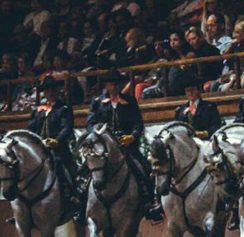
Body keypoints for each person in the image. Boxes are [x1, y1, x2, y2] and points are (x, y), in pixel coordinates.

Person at [86, 69, 163, 221]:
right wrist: (98, 133)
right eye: (110, 85)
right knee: (84, 171)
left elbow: (138, 124)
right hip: (103, 148)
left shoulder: (130, 101)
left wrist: (132, 136)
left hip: (126, 148)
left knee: (144, 169)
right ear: (106, 86)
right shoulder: (97, 103)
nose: (113, 88)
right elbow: (90, 123)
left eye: (115, 84)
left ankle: (150, 203)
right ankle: (80, 204)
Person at [26, 76, 83, 222]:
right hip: (39, 152)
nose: (50, 92)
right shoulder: (37, 110)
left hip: (57, 151)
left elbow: (66, 128)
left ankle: (73, 199)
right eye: (47, 90)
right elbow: (31, 128)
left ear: (57, 90)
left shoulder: (63, 109)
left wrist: (56, 141)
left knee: (61, 168)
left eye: (52, 89)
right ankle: (23, 207)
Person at [173, 75, 222, 139]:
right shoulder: (180, 110)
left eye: (192, 90)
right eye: (188, 91)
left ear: (198, 91)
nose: (190, 93)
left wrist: (202, 134)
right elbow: (176, 129)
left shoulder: (209, 107)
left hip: (205, 141)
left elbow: (216, 126)